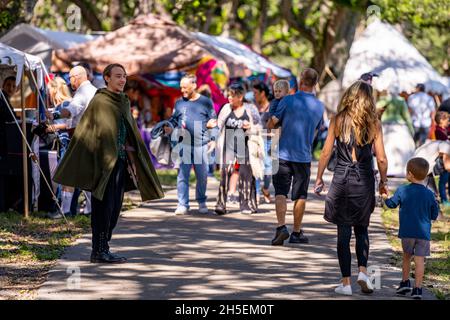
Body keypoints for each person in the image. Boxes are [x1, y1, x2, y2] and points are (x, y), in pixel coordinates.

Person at [53, 63, 164, 263]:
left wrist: (133, 163)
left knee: (114, 209)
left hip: (119, 163)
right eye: (118, 76)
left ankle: (104, 247)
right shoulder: (101, 101)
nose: (122, 80)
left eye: (124, 76)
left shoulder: (123, 101)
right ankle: (98, 250)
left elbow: (128, 134)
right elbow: (92, 134)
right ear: (106, 78)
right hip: (102, 163)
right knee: (102, 208)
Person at [314, 80, 389, 296]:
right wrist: (383, 182)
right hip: (364, 179)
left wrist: (319, 178)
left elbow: (326, 152)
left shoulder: (337, 120)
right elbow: (382, 158)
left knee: (343, 232)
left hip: (341, 178)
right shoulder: (374, 122)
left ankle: (345, 283)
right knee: (362, 228)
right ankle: (364, 272)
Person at [267, 68, 324, 245]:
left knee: (280, 192)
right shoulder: (319, 106)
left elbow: (271, 124)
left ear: (300, 81)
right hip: (303, 156)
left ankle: (281, 227)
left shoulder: (287, 100)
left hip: (282, 153)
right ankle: (296, 232)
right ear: (315, 84)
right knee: (300, 195)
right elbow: (317, 130)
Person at [383, 157, 439, 300]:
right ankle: (418, 289)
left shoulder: (403, 190)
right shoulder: (430, 194)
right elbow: (434, 214)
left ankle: (405, 283)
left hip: (407, 232)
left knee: (407, 257)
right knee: (420, 261)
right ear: (426, 175)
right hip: (423, 234)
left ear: (409, 174)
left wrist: (384, 197)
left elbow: (391, 204)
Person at [46, 66, 98, 217]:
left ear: (76, 77)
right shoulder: (95, 91)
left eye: (70, 78)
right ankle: (89, 210)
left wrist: (54, 115)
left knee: (68, 173)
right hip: (92, 137)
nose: (70, 82)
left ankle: (66, 211)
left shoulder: (82, 93)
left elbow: (70, 111)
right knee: (87, 175)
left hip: (80, 137)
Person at [164, 74, 217, 215]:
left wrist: (213, 138)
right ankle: (183, 204)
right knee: (182, 175)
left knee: (202, 176)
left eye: (185, 87)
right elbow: (174, 120)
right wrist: (169, 127)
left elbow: (214, 120)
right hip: (183, 144)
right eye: (181, 87)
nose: (182, 90)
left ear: (194, 85)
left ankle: (201, 201)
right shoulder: (179, 103)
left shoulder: (206, 102)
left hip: (201, 144)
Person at [214, 83, 264, 215]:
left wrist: (250, 128)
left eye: (232, 95)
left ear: (240, 97)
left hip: (245, 145)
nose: (229, 98)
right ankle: (221, 205)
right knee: (225, 173)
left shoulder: (250, 109)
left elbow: (259, 127)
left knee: (246, 175)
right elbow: (218, 125)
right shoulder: (226, 108)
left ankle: (247, 205)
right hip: (229, 145)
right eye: (228, 95)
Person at [46, 77, 74, 216]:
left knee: (66, 176)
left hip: (67, 143)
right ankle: (64, 209)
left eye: (50, 90)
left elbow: (70, 124)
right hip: (63, 143)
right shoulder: (59, 106)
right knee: (63, 176)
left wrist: (53, 127)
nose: (48, 93)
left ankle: (66, 210)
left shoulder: (66, 104)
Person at [376, 90, 415, 176]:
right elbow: (406, 116)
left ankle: (386, 169)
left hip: (385, 125)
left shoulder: (382, 100)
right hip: (399, 126)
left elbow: (376, 111)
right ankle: (399, 168)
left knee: (385, 147)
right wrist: (411, 129)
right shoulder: (401, 100)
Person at [253, 82, 273, 204]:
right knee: (255, 167)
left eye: (256, 93)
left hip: (270, 140)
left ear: (263, 93)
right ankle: (256, 193)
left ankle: (265, 188)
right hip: (255, 140)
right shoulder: (253, 107)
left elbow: (278, 123)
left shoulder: (272, 106)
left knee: (269, 169)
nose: (254, 95)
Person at [434, 111, 450, 205]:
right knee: (443, 180)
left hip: (447, 155)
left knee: (446, 179)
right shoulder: (438, 130)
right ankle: (444, 199)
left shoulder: (445, 129)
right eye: (447, 120)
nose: (448, 122)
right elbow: (443, 141)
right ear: (441, 120)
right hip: (444, 157)